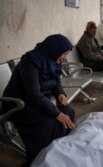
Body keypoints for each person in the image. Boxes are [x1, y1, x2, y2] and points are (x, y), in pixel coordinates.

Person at [2, 34, 76, 166]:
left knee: (68, 111)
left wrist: (60, 93)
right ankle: (39, 159)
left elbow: (56, 79)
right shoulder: (31, 62)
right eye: (64, 54)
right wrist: (57, 114)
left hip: (37, 101)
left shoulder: (53, 59)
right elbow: (34, 94)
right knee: (50, 123)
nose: (65, 57)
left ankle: (61, 150)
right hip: (18, 104)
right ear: (55, 49)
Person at [77, 21, 103, 91]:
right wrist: (102, 58)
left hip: (95, 61)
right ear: (87, 29)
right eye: (92, 29)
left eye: (95, 28)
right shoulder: (85, 39)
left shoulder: (91, 37)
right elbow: (88, 56)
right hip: (90, 64)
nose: (95, 30)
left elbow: (97, 50)